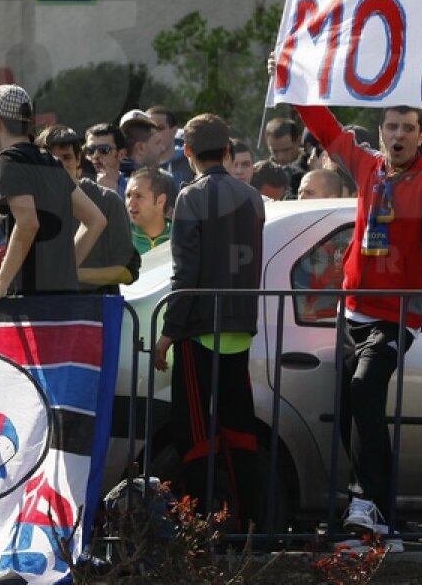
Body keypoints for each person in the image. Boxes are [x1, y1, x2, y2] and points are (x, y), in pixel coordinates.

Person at [293, 101, 422, 542]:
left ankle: (367, 502)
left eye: (407, 128)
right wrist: (296, 84)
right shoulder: (368, 165)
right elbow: (326, 130)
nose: (398, 135)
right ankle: (376, 510)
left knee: (366, 389)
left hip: (397, 314)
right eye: (392, 127)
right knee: (350, 412)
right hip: (352, 309)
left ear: (421, 136)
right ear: (381, 131)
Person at [153, 114, 264, 532]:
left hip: (199, 329)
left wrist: (168, 333)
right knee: (241, 434)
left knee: (196, 434)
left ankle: (199, 527)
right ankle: (253, 525)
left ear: (187, 152)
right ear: (229, 152)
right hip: (241, 326)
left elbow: (186, 272)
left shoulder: (190, 197)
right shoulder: (253, 197)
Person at [0, 85, 106, 308]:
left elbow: (28, 223)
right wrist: (65, 270)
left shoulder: (8, 160)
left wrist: (0, 284)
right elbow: (96, 220)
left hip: (32, 301)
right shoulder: (49, 160)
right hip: (64, 297)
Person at [38, 124, 139, 293]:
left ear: (79, 160)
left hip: (96, 311)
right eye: (51, 159)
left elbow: (128, 271)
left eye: (66, 157)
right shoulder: (31, 204)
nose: (59, 165)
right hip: (45, 310)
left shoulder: (107, 201)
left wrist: (76, 275)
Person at [128, 167, 174, 254]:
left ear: (160, 201)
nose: (130, 202)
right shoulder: (118, 238)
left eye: (138, 196)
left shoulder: (181, 238)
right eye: (128, 195)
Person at [85, 123, 127, 194]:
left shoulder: (134, 187)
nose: (95, 155)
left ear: (121, 154)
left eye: (104, 149)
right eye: (90, 150)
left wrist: (113, 191)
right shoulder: (75, 186)